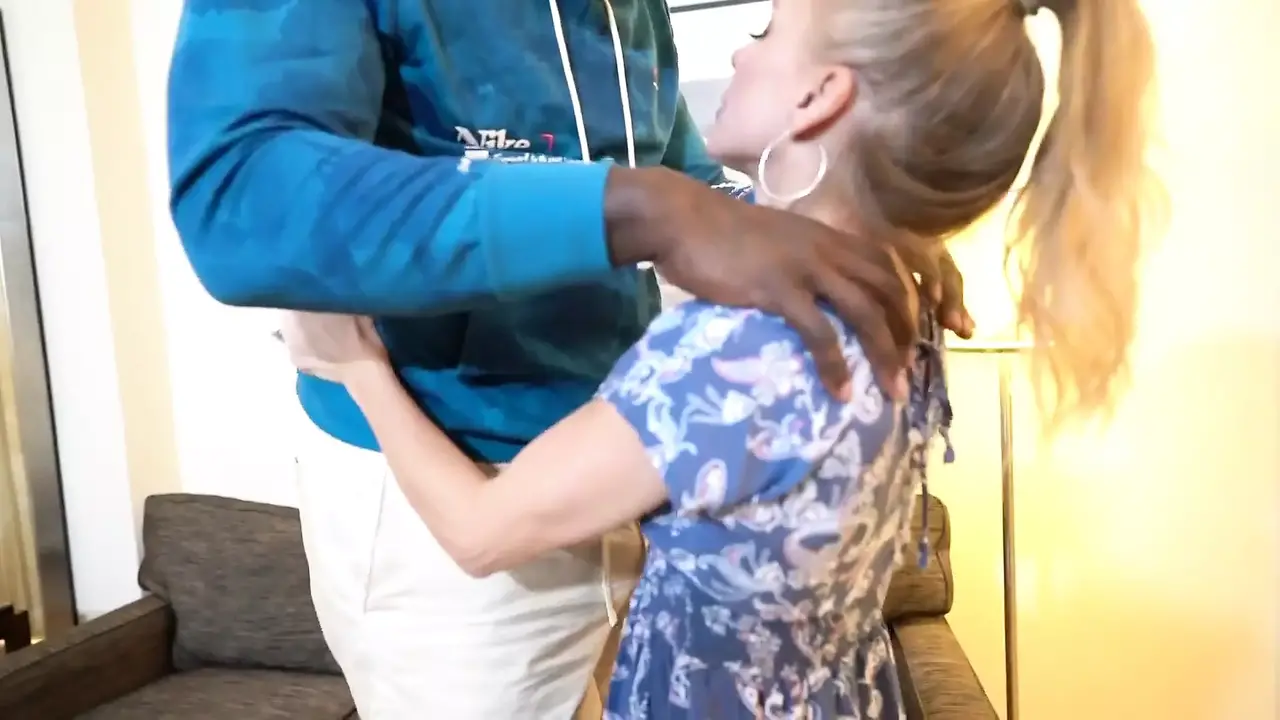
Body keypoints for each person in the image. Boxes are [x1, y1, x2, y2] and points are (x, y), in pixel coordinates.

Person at [279, 0, 1162, 717]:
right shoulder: (900, 287)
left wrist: (353, 360)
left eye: (765, 32)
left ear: (820, 97)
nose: (740, 56)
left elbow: (482, 533)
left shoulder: (731, 354)